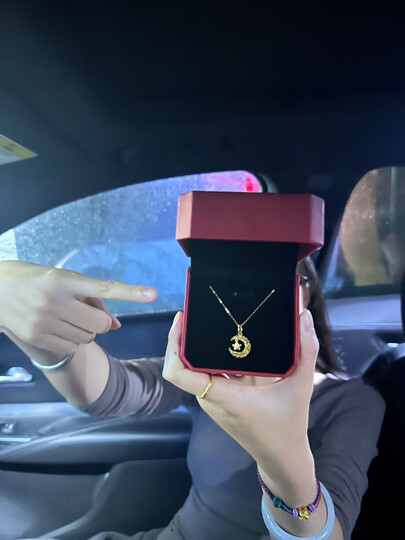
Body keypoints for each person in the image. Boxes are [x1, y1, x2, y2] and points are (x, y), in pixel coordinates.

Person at [0, 258, 385, 540]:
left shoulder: (352, 400)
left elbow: (330, 533)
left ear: (305, 291)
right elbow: (109, 392)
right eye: (233, 281)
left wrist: (283, 458)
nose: (251, 295)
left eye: (273, 279)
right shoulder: (206, 371)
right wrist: (33, 323)